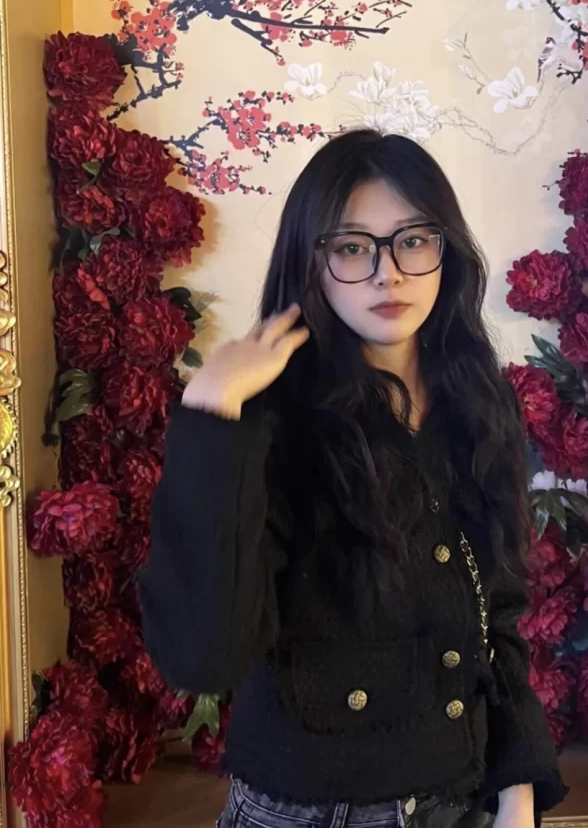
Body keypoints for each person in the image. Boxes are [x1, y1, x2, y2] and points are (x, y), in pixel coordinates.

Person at [138, 130, 566, 828]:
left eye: (412, 240)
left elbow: (499, 610)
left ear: (447, 251)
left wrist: (517, 785)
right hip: (309, 810)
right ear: (311, 262)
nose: (386, 273)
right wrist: (211, 412)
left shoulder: (477, 400)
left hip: (460, 800)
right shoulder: (267, 419)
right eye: (351, 247)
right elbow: (202, 657)